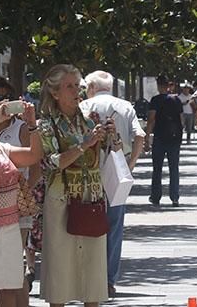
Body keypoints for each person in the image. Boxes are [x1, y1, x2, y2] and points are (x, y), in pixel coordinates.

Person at [35, 64, 111, 307]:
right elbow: (51, 162)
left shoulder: (89, 121)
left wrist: (111, 137)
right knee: (60, 272)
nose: (75, 91)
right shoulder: (46, 124)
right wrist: (84, 145)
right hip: (61, 200)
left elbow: (108, 155)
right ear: (55, 93)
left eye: (77, 86)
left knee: (93, 273)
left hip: (91, 198)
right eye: (69, 86)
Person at [81, 70, 146, 298]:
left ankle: (88, 276)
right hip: (117, 173)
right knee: (114, 226)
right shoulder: (125, 106)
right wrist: (131, 163)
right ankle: (108, 279)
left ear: (91, 87)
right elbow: (140, 135)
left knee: (85, 223)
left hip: (88, 173)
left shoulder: (83, 107)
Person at [0, 76, 38, 307]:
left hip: (16, 209)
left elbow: (35, 165)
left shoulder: (21, 128)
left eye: (7, 97)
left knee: (13, 269)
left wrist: (22, 193)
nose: (2, 102)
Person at [145, 78, 183, 206]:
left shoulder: (155, 100)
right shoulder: (176, 100)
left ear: (158, 86)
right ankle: (175, 197)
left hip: (159, 137)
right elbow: (181, 120)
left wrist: (147, 137)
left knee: (157, 168)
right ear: (168, 86)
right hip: (174, 138)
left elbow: (151, 119)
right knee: (174, 168)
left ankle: (156, 196)